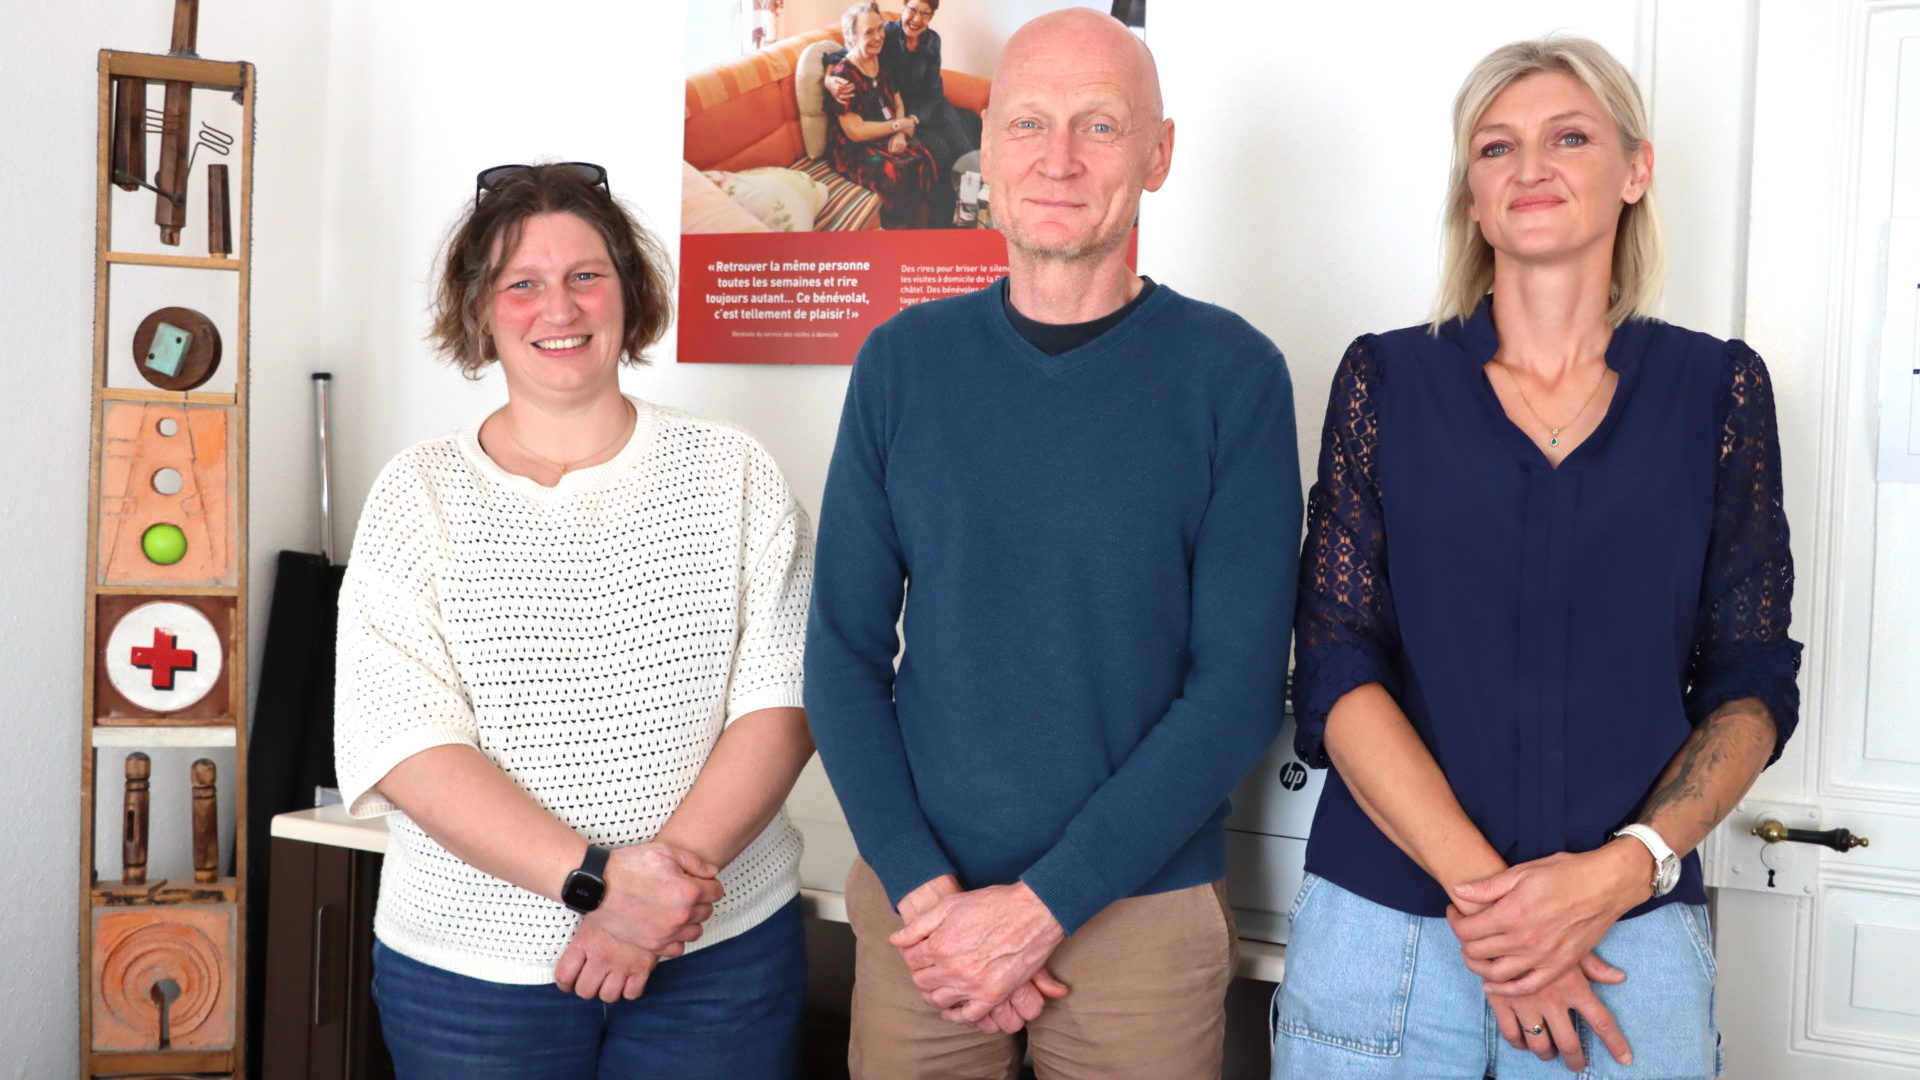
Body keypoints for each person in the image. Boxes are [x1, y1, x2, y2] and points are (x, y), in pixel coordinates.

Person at [1272, 36, 1801, 1079]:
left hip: (1628, 936)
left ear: (1636, 170)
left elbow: (1751, 684)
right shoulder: (1386, 381)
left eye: (1569, 138)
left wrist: (1616, 876)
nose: (1529, 168)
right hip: (1388, 933)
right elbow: (1335, 666)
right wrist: (1505, 916)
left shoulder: (1717, 392)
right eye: (1495, 147)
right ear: (1472, 197)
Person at [806, 10, 1302, 1079]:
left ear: (1158, 155)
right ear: (986, 151)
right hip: (919, 910)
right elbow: (840, 656)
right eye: (1028, 123)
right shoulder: (900, 365)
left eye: (1100, 126)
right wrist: (928, 894)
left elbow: (1237, 690)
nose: (1059, 159)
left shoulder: (1235, 376)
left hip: (1142, 911)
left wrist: (1042, 907)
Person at [333, 162, 816, 1079]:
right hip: (472, 977)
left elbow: (784, 703)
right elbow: (403, 742)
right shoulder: (416, 494)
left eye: (586, 275)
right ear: (480, 311)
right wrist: (598, 885)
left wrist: (650, 908)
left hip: (716, 958)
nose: (559, 307)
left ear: (628, 293)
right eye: (522, 283)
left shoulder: (735, 473)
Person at [823, 0, 982, 180]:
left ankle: (978, 182)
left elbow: (933, 91)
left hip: (923, 108)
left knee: (968, 125)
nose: (917, 19)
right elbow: (841, 55)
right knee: (941, 149)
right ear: (903, 7)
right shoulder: (886, 33)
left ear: (931, 16)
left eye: (925, 13)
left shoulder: (932, 41)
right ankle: (964, 187)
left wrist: (914, 118)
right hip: (898, 108)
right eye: (913, 10)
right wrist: (828, 80)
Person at [824, 1, 944, 229]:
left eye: (880, 29)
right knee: (895, 172)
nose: (879, 36)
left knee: (925, 157)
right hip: (854, 149)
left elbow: (897, 100)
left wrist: (899, 133)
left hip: (884, 133)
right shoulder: (844, 76)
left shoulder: (880, 60)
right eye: (869, 32)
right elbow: (855, 131)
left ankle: (922, 229)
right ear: (852, 37)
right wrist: (898, 126)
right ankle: (895, 235)